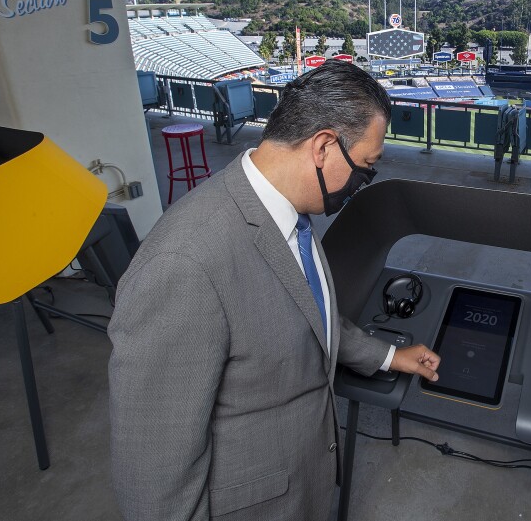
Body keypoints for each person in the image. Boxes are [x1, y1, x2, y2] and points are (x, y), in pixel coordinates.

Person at [109, 61, 441, 521]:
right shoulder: (183, 265)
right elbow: (152, 473)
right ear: (324, 146)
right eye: (366, 168)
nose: (364, 184)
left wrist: (387, 356)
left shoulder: (291, 214)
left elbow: (309, 314)